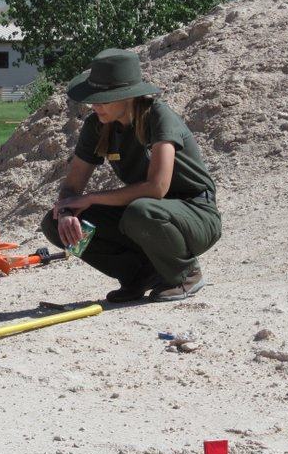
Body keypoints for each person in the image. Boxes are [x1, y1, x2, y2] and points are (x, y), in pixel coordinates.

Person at [41, 48, 221, 302]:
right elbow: (71, 187)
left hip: (195, 215)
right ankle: (140, 274)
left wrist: (91, 198)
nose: (95, 105)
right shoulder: (97, 125)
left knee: (141, 211)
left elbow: (157, 187)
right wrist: (67, 213)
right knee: (54, 224)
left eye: (103, 99)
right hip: (147, 215)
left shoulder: (158, 117)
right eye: (94, 98)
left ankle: (184, 274)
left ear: (125, 96)